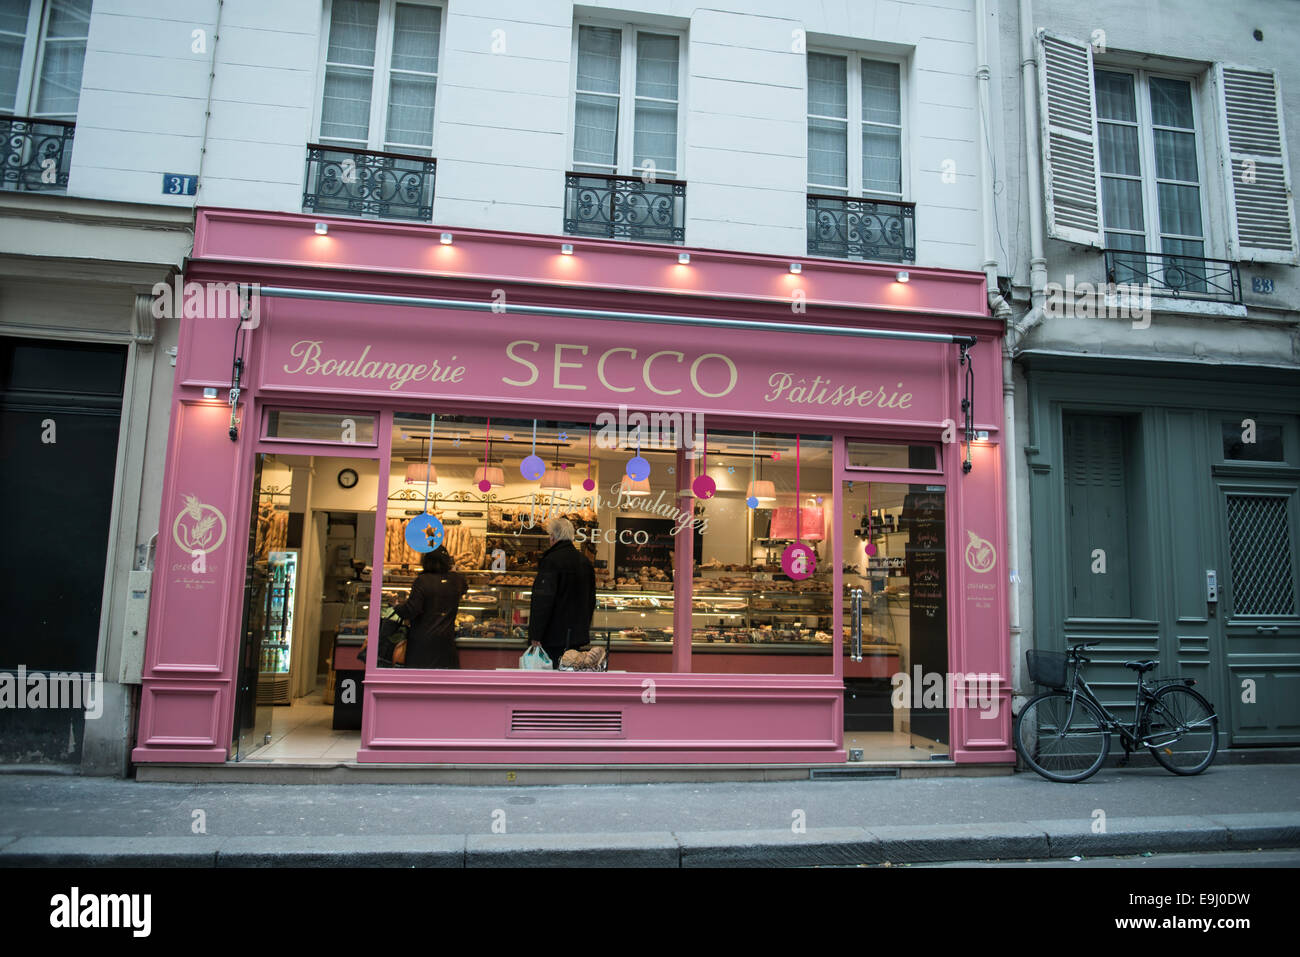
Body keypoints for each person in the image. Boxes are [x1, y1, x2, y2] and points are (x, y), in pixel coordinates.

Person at [528, 516, 597, 669]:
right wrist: (583, 629)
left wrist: (536, 635)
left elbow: (543, 602)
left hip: (552, 638)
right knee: (570, 678)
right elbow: (591, 600)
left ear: (553, 536)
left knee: (551, 681)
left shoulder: (551, 561)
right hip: (576, 637)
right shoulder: (584, 562)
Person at [393, 545, 467, 669]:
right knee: (444, 684)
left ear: (426, 561)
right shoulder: (457, 580)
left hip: (421, 645)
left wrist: (395, 605)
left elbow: (411, 610)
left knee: (420, 685)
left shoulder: (422, 581)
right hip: (446, 644)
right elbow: (463, 588)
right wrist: (453, 571)